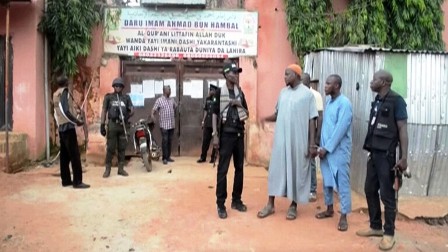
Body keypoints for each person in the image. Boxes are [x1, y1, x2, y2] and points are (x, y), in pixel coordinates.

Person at [257, 64, 318, 220]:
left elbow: (312, 120)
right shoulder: (283, 93)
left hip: (298, 141)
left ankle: (293, 205)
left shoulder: (307, 95)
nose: (284, 77)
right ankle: (270, 204)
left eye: (287, 74)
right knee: (275, 170)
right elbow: (278, 114)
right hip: (281, 140)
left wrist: (312, 144)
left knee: (296, 171)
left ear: (297, 75)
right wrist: (265, 118)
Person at [356, 70, 408, 251]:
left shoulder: (397, 101)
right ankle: (376, 226)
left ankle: (389, 234)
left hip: (387, 157)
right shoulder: (378, 101)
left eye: (375, 79)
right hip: (374, 154)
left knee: (387, 195)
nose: (371, 82)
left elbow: (402, 130)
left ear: (384, 82)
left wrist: (404, 157)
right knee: (369, 189)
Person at [315, 74, 353, 232]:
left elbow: (340, 130)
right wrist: (320, 146)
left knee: (342, 182)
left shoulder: (344, 103)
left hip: (338, 151)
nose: (325, 86)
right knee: (327, 180)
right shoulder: (329, 101)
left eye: (328, 83)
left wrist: (327, 148)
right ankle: (329, 208)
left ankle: (344, 216)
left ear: (337, 86)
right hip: (325, 150)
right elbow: (326, 126)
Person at [212, 62, 249, 219]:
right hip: (226, 134)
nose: (236, 74)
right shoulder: (219, 93)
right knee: (223, 170)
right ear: (226, 74)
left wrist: (238, 103)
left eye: (237, 72)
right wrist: (215, 134)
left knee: (239, 168)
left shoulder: (240, 93)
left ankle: (236, 200)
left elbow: (247, 112)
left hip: (239, 134)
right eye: (233, 72)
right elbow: (214, 114)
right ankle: (221, 204)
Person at [52, 75, 90, 189]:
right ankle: (77, 182)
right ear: (66, 83)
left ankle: (66, 180)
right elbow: (65, 111)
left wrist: (59, 124)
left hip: (62, 127)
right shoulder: (65, 92)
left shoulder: (55, 94)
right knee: (75, 155)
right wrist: (76, 121)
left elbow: (56, 112)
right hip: (68, 128)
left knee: (64, 156)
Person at [100, 77, 134, 178]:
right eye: (116, 86)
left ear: (122, 87)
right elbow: (104, 110)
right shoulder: (109, 97)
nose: (118, 87)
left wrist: (127, 115)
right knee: (110, 148)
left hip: (123, 125)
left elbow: (132, 109)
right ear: (113, 87)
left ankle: (121, 169)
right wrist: (102, 124)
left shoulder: (126, 98)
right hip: (112, 125)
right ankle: (107, 169)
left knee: (122, 148)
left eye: (120, 86)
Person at [302, 73, 323, 202]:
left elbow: (319, 117)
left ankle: (312, 189)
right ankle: (302, 188)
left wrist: (317, 138)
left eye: (303, 82)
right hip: (300, 132)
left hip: (311, 133)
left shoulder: (315, 95)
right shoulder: (299, 94)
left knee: (311, 161)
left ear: (308, 83)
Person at [152, 85, 177, 165]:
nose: (169, 91)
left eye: (170, 89)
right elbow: (154, 109)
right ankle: (164, 158)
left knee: (169, 141)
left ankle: (168, 157)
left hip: (171, 124)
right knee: (165, 141)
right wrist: (153, 116)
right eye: (168, 89)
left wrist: (174, 115)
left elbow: (175, 107)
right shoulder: (159, 100)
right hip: (164, 125)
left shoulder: (172, 100)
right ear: (164, 91)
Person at [197, 84, 218, 164]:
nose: (210, 91)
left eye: (211, 90)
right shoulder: (207, 99)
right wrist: (203, 120)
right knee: (205, 141)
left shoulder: (216, 99)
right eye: (210, 90)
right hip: (207, 123)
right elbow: (206, 110)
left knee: (215, 142)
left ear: (214, 91)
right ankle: (203, 157)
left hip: (214, 124)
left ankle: (213, 158)